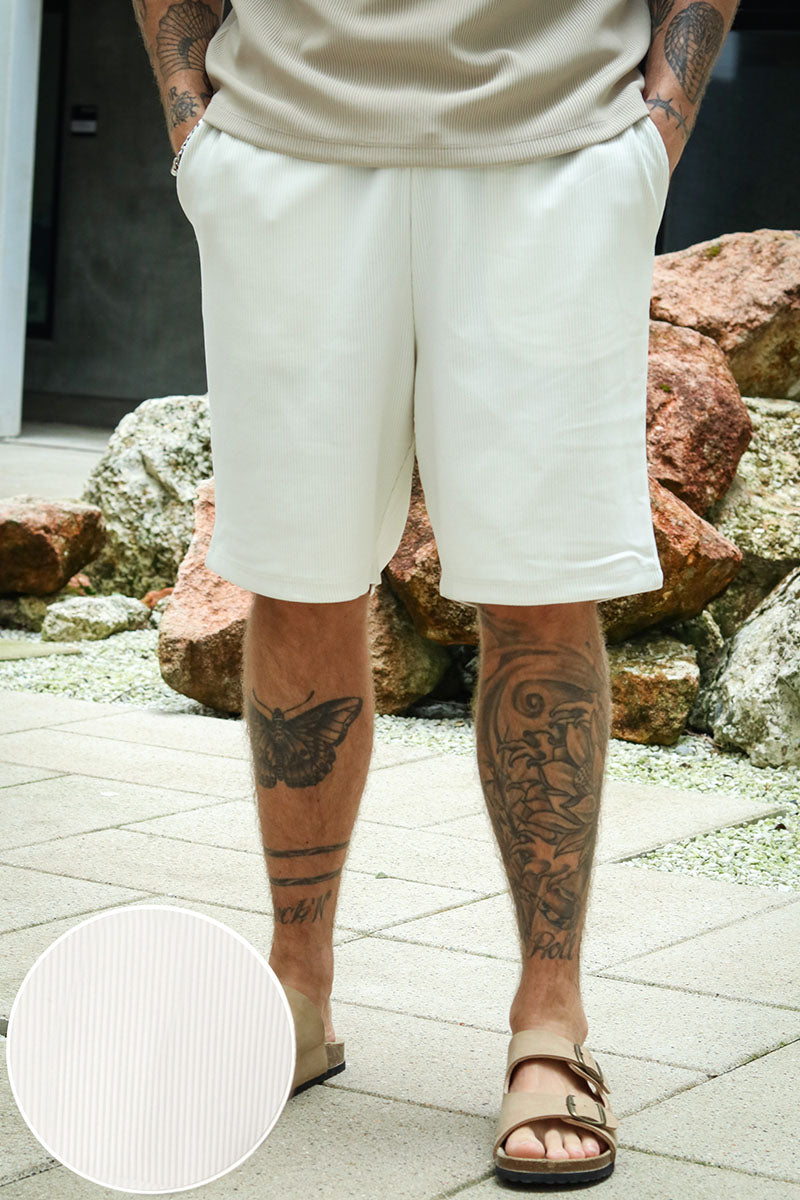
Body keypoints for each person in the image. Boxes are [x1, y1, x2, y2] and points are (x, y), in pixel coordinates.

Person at [135, 0, 739, 1186]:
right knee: (298, 580)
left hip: (554, 144)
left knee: (542, 587)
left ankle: (549, 1019)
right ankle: (296, 995)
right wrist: (193, 125)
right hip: (284, 146)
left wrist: (655, 130)